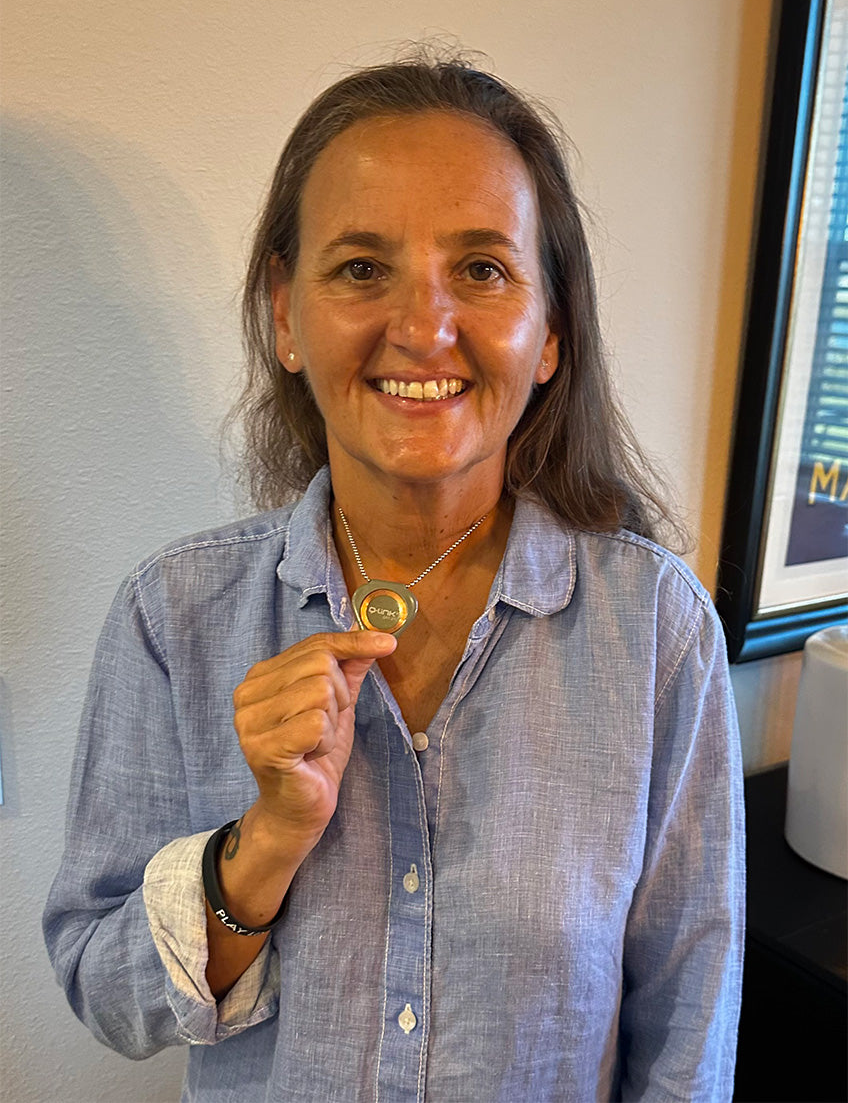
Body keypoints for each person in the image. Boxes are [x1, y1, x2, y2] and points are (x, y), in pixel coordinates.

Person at [44, 53, 744, 1102]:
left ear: (550, 331)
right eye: (363, 268)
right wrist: (260, 848)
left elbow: (688, 1035)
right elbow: (105, 994)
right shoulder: (171, 618)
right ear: (285, 314)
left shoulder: (656, 631)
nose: (422, 329)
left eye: (482, 269)